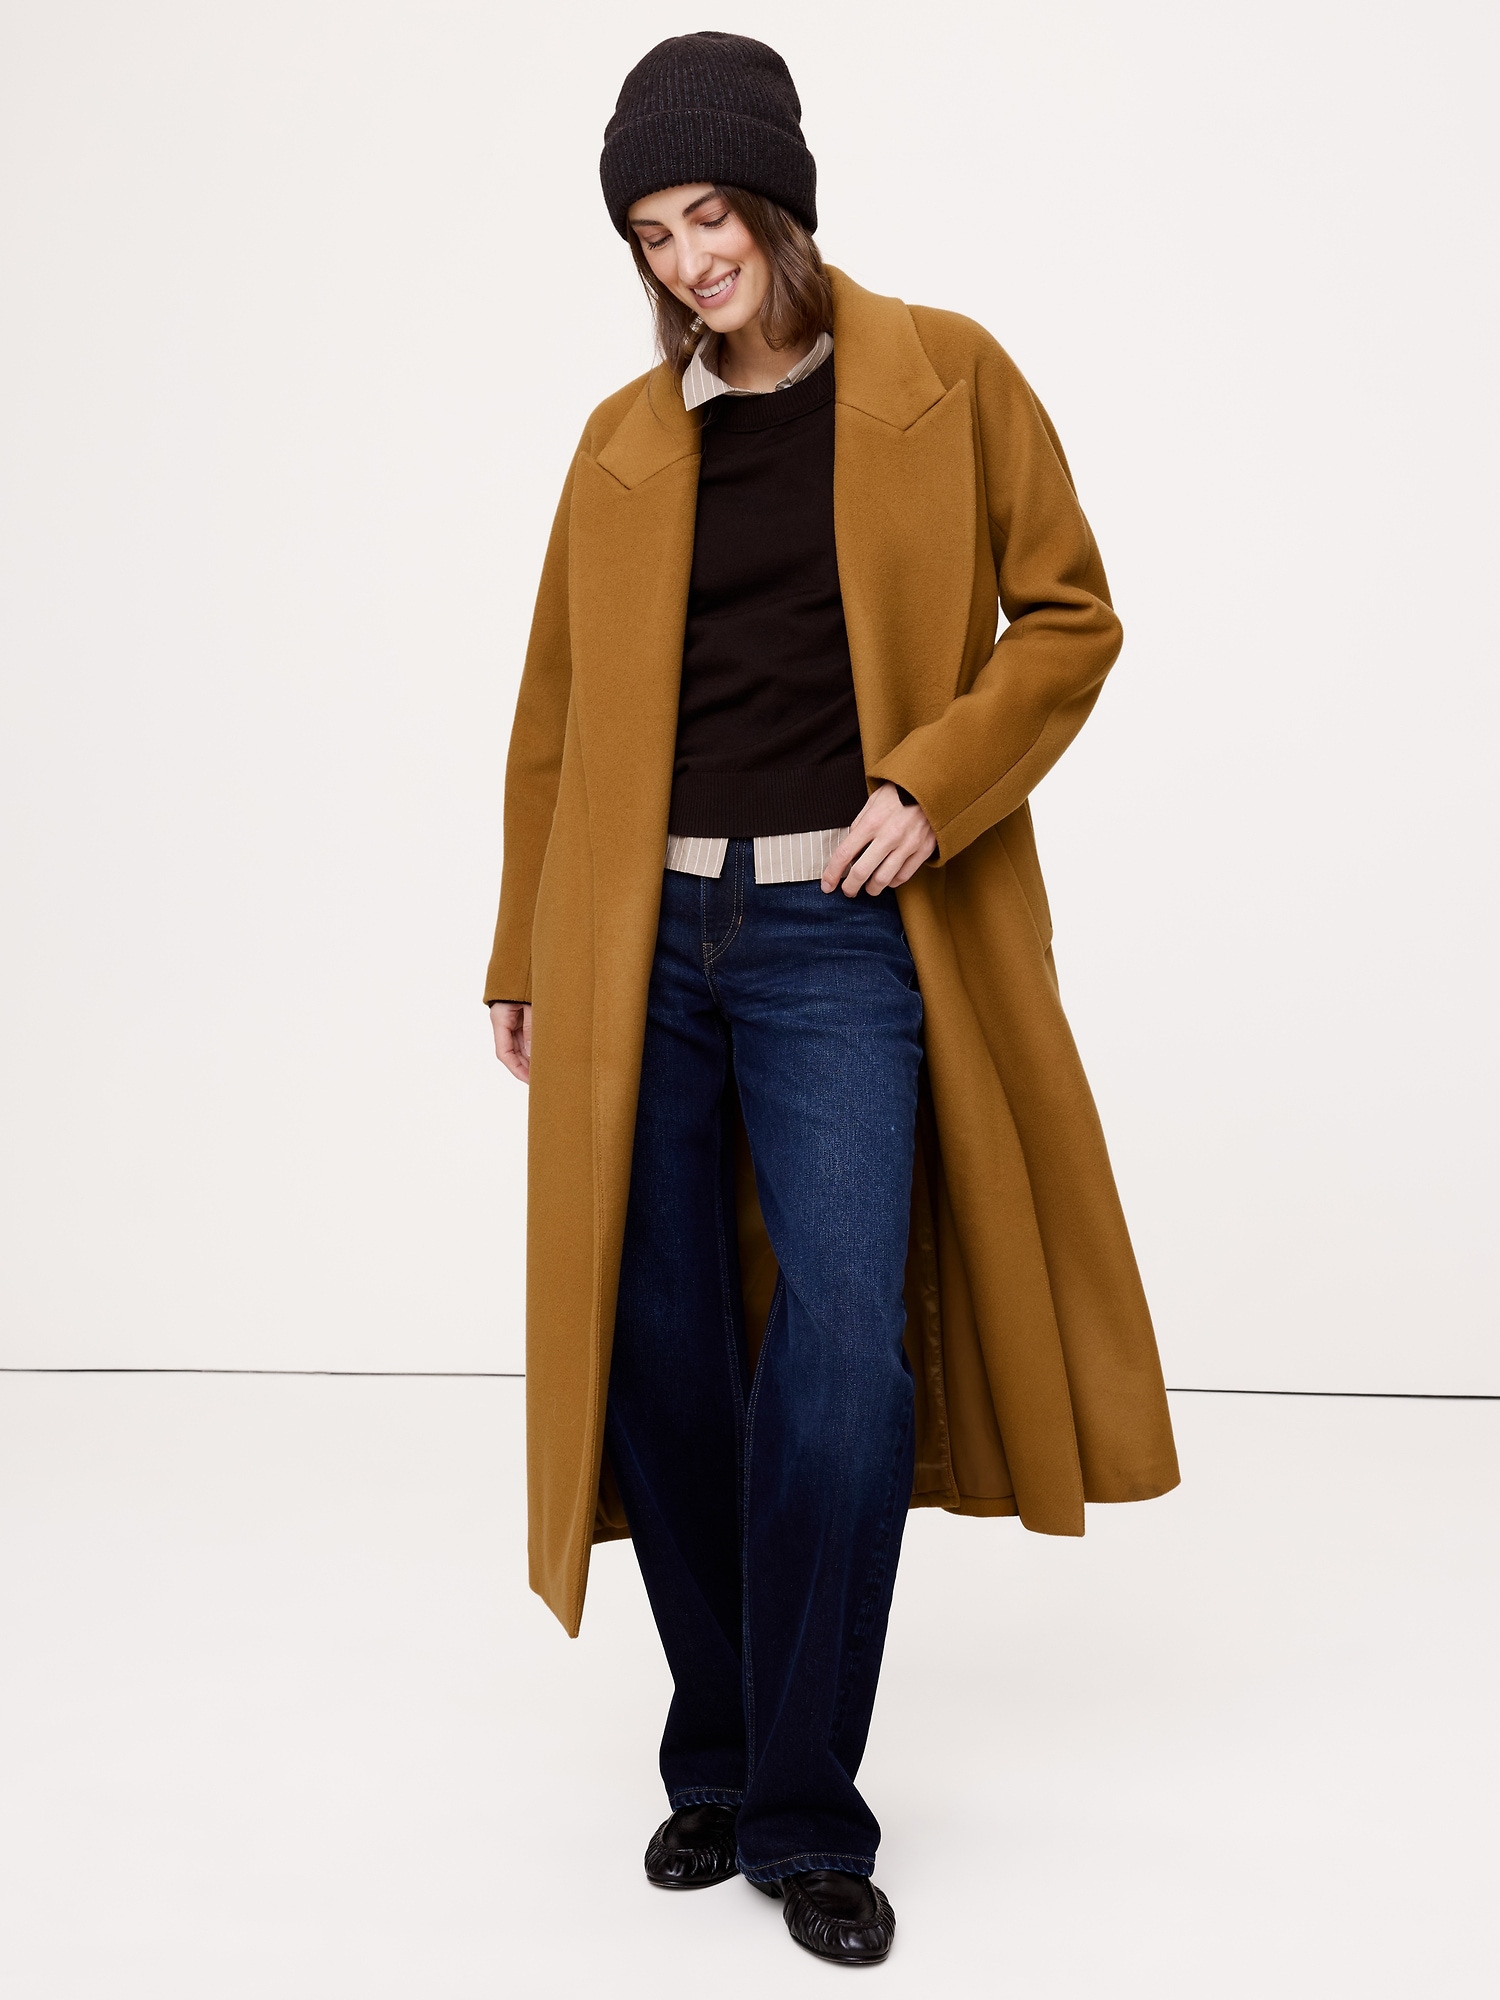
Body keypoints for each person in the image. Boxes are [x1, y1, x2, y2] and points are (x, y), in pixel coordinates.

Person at [485, 31, 1179, 1968]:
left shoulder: (946, 375)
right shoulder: (623, 446)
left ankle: (804, 1803)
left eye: (709, 213)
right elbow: (551, 719)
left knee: (846, 1352)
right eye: (652, 232)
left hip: (840, 933)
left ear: (779, 203)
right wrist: (524, 953)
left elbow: (1070, 614)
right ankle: (718, 1757)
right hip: (637, 939)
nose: (689, 259)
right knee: (663, 1348)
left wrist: (933, 785)